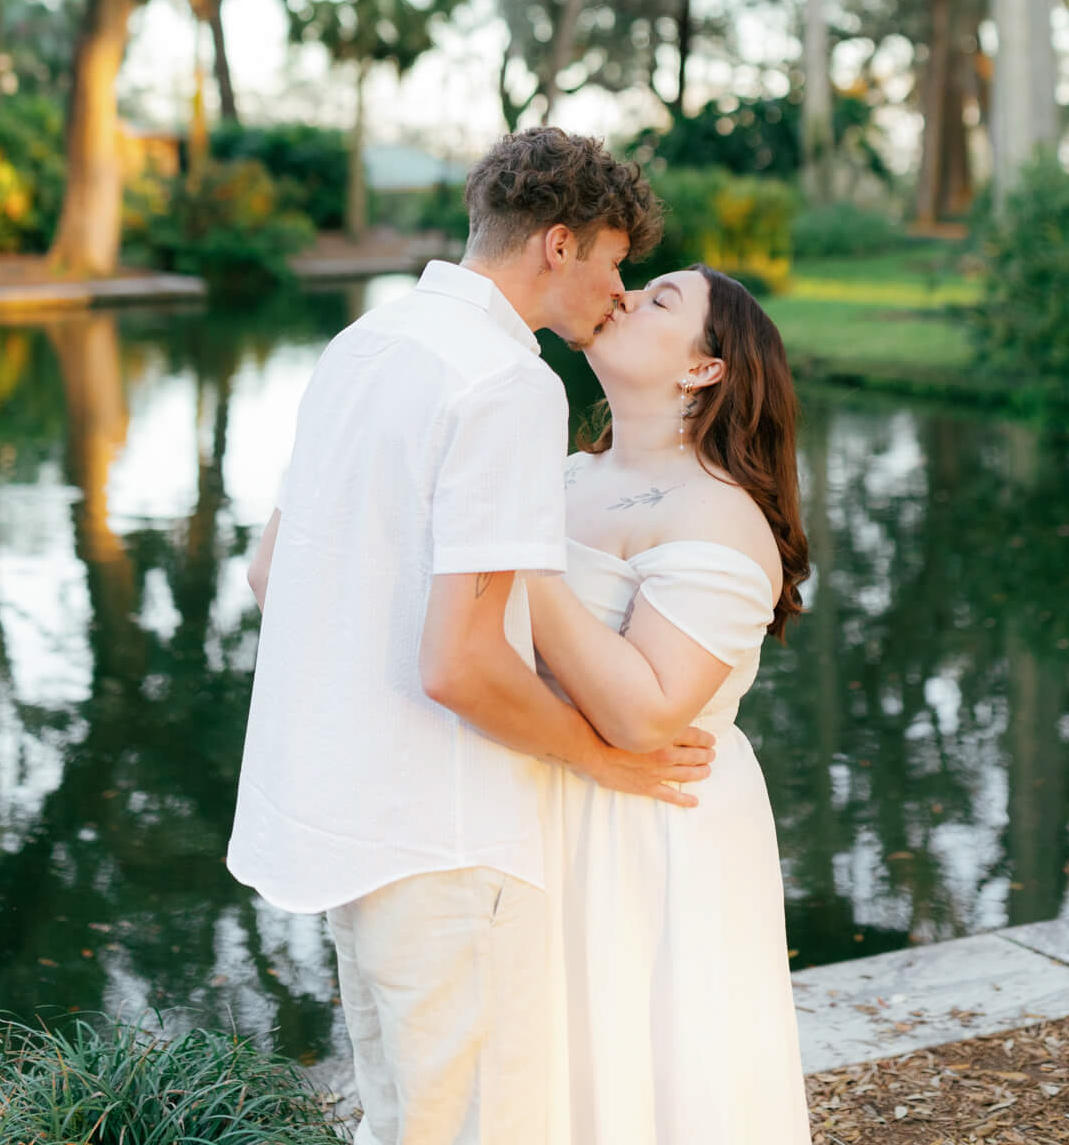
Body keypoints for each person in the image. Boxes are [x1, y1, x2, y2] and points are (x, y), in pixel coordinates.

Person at [226, 127, 716, 1145]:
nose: (619, 294)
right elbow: (460, 660)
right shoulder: (508, 383)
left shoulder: (364, 342)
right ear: (558, 245)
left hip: (347, 822)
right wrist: (603, 758)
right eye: (615, 263)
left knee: (401, 1120)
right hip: (448, 840)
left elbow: (273, 572)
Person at [528, 262, 814, 1145]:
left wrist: (510, 551)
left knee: (650, 1073)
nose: (622, 295)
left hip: (650, 829)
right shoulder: (565, 471)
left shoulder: (719, 516)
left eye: (660, 300)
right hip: (542, 805)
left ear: (703, 370)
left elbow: (647, 716)